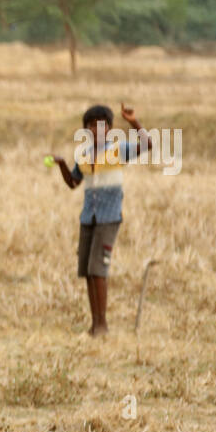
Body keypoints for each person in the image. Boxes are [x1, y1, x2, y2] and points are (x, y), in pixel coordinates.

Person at [52, 102, 153, 336]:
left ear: (109, 128)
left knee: (98, 270)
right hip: (89, 218)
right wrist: (62, 165)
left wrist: (133, 122)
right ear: (86, 130)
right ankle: (94, 323)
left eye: (101, 125)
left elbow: (147, 145)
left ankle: (102, 325)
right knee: (88, 270)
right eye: (91, 126)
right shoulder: (84, 155)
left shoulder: (118, 149)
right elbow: (73, 183)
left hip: (108, 218)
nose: (96, 130)